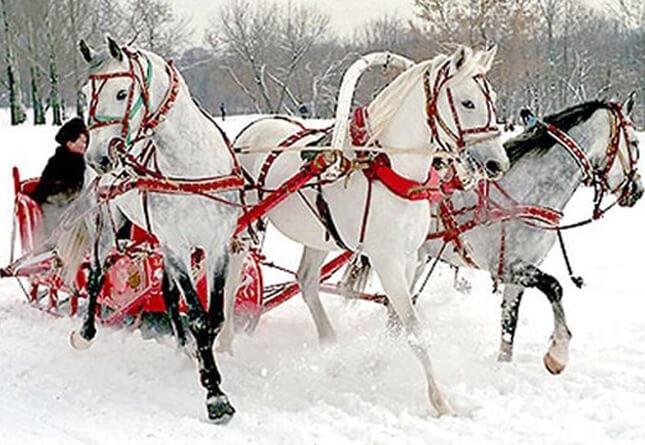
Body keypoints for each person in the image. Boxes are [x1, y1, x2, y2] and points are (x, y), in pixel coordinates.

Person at [31, 117, 89, 243]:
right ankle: (53, 245)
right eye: (82, 142)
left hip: (76, 203)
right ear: (69, 143)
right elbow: (49, 188)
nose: (85, 146)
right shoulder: (58, 162)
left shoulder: (85, 162)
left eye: (86, 142)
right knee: (59, 217)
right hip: (54, 202)